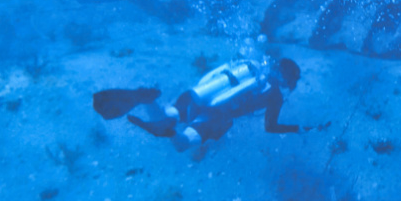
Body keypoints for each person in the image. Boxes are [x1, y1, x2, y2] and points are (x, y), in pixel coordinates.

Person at [93, 56, 301, 151]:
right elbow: (270, 126)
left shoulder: (250, 63)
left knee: (171, 114)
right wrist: (298, 128)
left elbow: (216, 74)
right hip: (220, 115)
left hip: (201, 94)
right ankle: (169, 131)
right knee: (182, 143)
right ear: (287, 80)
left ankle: (146, 99)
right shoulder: (275, 95)